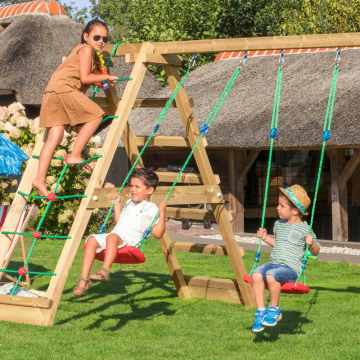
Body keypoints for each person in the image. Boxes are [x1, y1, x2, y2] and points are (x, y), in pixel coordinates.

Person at [33, 19, 118, 197]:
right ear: (86, 36)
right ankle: (75, 154)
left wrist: (100, 76)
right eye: (97, 37)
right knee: (96, 115)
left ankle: (39, 179)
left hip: (52, 91)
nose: (101, 41)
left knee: (54, 138)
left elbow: (81, 73)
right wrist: (105, 76)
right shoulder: (86, 49)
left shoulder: (78, 49)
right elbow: (85, 77)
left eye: (105, 38)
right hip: (64, 90)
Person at [73, 168, 167, 297]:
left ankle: (105, 270)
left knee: (112, 237)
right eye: (131, 186)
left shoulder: (152, 209)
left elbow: (158, 234)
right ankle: (83, 280)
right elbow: (120, 221)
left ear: (150, 190)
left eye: (137, 187)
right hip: (116, 236)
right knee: (91, 240)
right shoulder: (129, 202)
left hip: (130, 241)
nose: (132, 189)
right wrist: (117, 205)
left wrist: (162, 213)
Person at [251, 184, 320, 333]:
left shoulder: (305, 229)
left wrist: (312, 244)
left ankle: (274, 310)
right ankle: (260, 312)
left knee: (271, 276)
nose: (278, 208)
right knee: (256, 274)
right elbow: (278, 244)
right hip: (274, 264)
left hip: (290, 269)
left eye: (282, 206)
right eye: (278, 205)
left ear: (295, 211)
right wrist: (265, 238)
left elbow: (316, 251)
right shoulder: (278, 224)